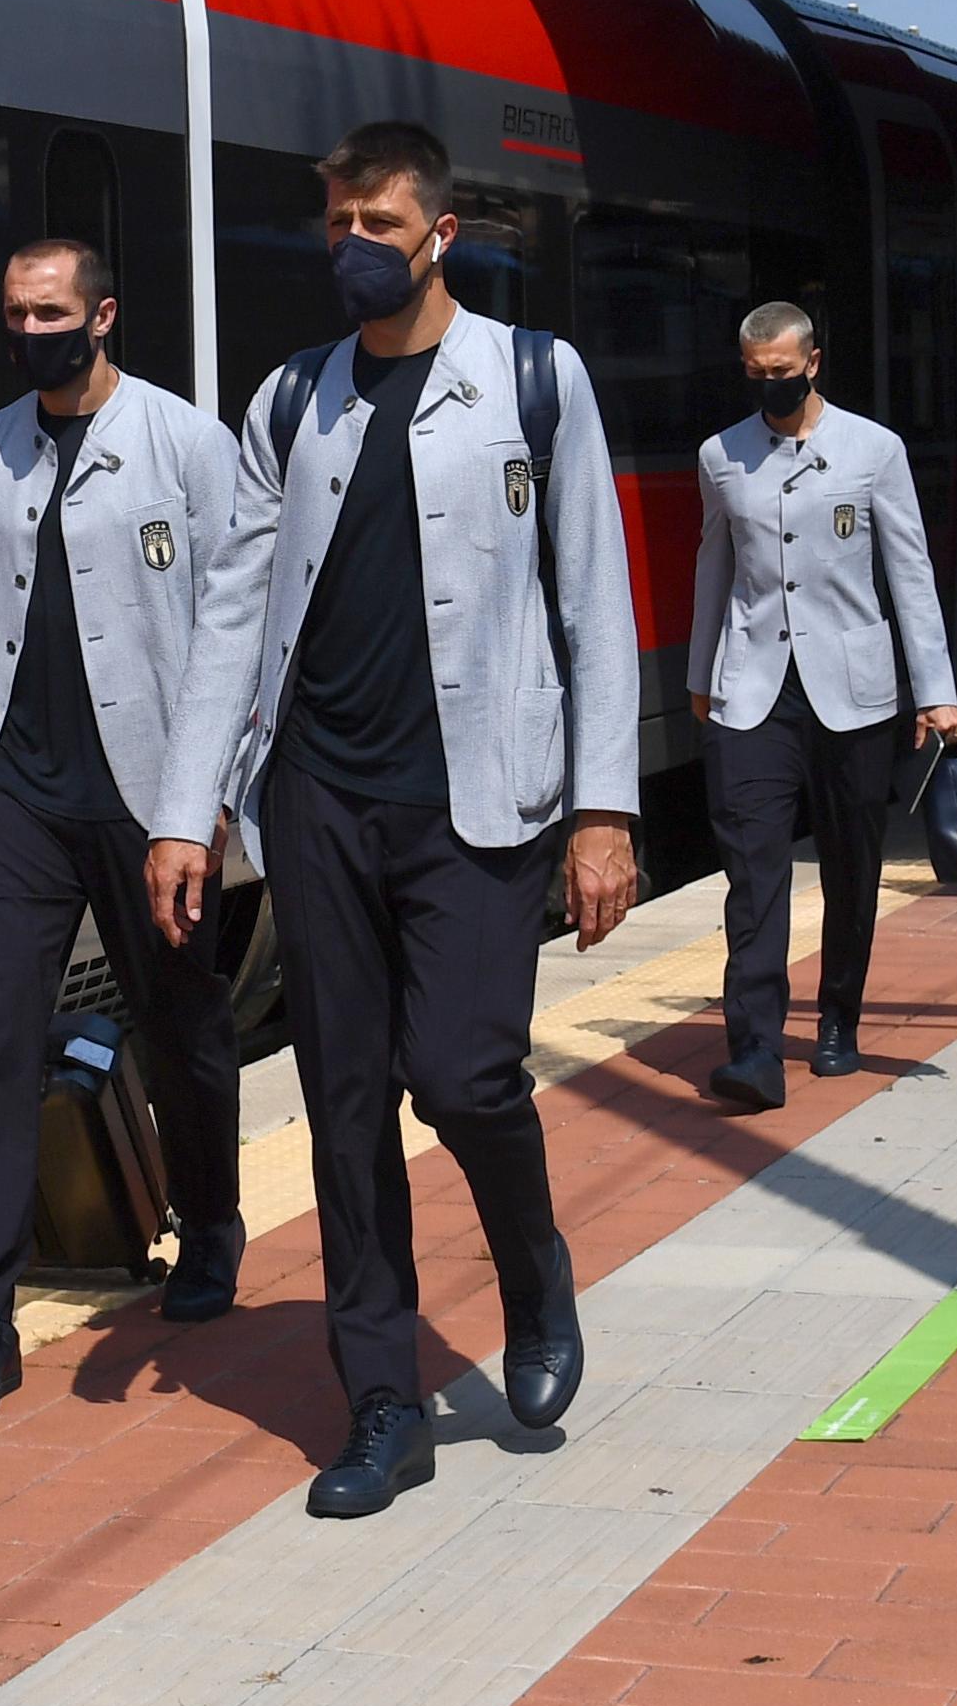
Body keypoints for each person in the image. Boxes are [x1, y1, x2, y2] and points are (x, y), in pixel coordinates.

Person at [186, 121, 639, 1519]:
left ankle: (532, 1266)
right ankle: (382, 1396)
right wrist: (186, 808)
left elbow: (594, 602)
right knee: (340, 1105)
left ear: (442, 231)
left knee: (462, 1075)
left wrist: (605, 811)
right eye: (337, 224)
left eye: (380, 222)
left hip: (476, 798)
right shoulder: (292, 401)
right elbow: (229, 612)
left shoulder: (535, 381)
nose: (354, 247)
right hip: (320, 797)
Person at [0, 238, 251, 1412]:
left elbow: (238, 620)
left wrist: (209, 794)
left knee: (183, 1021)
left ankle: (210, 1221)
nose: (29, 333)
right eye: (15, 315)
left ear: (104, 314)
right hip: (11, 792)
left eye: (51, 312)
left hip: (150, 790)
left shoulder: (186, 443)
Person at [684, 302, 957, 1112]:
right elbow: (713, 568)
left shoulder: (874, 450)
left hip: (853, 689)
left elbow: (909, 574)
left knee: (851, 864)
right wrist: (701, 674)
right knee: (754, 871)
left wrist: (935, 691)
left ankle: (838, 1016)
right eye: (757, 375)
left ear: (814, 362)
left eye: (784, 372)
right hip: (752, 690)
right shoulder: (721, 455)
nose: (772, 385)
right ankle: (756, 1050)